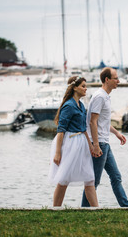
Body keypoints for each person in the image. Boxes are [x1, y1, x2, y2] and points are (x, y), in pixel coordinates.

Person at [81, 67, 128, 207]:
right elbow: (92, 121)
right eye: (115, 78)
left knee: (116, 177)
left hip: (105, 143)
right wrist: (96, 145)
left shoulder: (105, 96)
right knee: (93, 182)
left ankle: (127, 207)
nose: (118, 81)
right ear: (107, 80)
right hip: (99, 144)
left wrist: (116, 133)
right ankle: (85, 209)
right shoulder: (100, 97)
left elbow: (102, 122)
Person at [48, 76, 98, 207]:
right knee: (64, 179)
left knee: (89, 177)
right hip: (70, 144)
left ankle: (96, 209)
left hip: (82, 144)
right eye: (83, 86)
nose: (85, 88)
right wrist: (58, 153)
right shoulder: (69, 105)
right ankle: (55, 208)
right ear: (75, 88)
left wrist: (91, 145)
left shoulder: (81, 105)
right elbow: (61, 130)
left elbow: (84, 128)